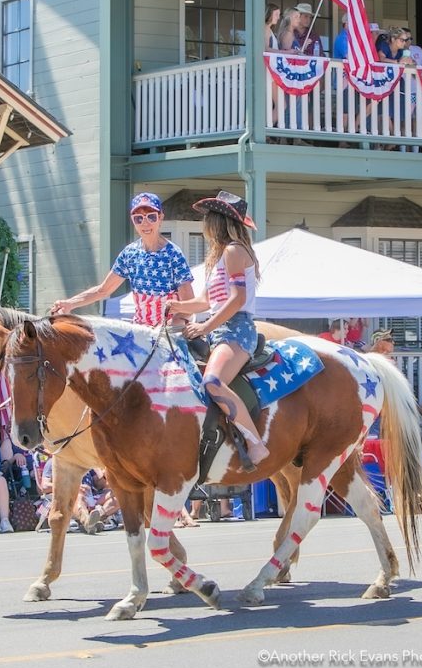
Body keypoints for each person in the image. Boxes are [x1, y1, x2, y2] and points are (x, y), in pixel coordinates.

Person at [167, 191, 268, 469]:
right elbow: (206, 301)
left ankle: (255, 443)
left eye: (207, 219)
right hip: (220, 328)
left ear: (218, 221)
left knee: (212, 381)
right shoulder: (222, 256)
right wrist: (176, 306)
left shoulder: (234, 251)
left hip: (236, 330)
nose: (204, 226)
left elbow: (236, 299)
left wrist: (203, 326)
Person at [52, 192, 195, 327]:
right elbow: (103, 290)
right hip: (140, 332)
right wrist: (70, 304)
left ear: (161, 217)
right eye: (138, 218)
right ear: (133, 221)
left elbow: (189, 305)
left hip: (168, 333)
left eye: (151, 217)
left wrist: (169, 326)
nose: (145, 223)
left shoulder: (173, 254)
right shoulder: (130, 253)